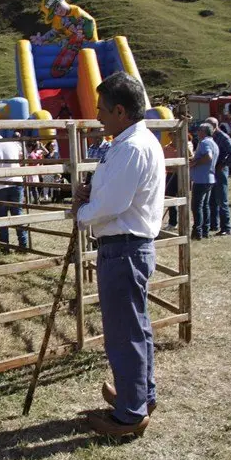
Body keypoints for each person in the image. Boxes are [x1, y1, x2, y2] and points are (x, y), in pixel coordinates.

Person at [72, 72, 164, 438]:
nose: (98, 116)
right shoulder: (134, 141)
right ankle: (139, 395)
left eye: (103, 110)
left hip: (123, 248)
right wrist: (91, 191)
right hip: (129, 247)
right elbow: (110, 192)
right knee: (135, 328)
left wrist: (81, 213)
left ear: (121, 111)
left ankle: (129, 415)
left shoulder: (130, 147)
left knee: (124, 333)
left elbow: (112, 203)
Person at [206, 119, 231, 236]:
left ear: (214, 126)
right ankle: (214, 224)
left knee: (221, 199)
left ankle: (226, 227)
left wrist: (223, 164)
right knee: (212, 199)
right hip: (212, 170)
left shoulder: (223, 137)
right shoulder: (211, 137)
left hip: (220, 170)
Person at [190, 123, 219, 240]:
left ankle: (198, 232)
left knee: (197, 206)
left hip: (201, 179)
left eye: (199, 130)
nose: (197, 132)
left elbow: (208, 156)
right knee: (205, 206)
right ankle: (205, 230)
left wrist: (195, 163)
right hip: (209, 178)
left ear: (204, 131)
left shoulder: (204, 142)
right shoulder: (213, 143)